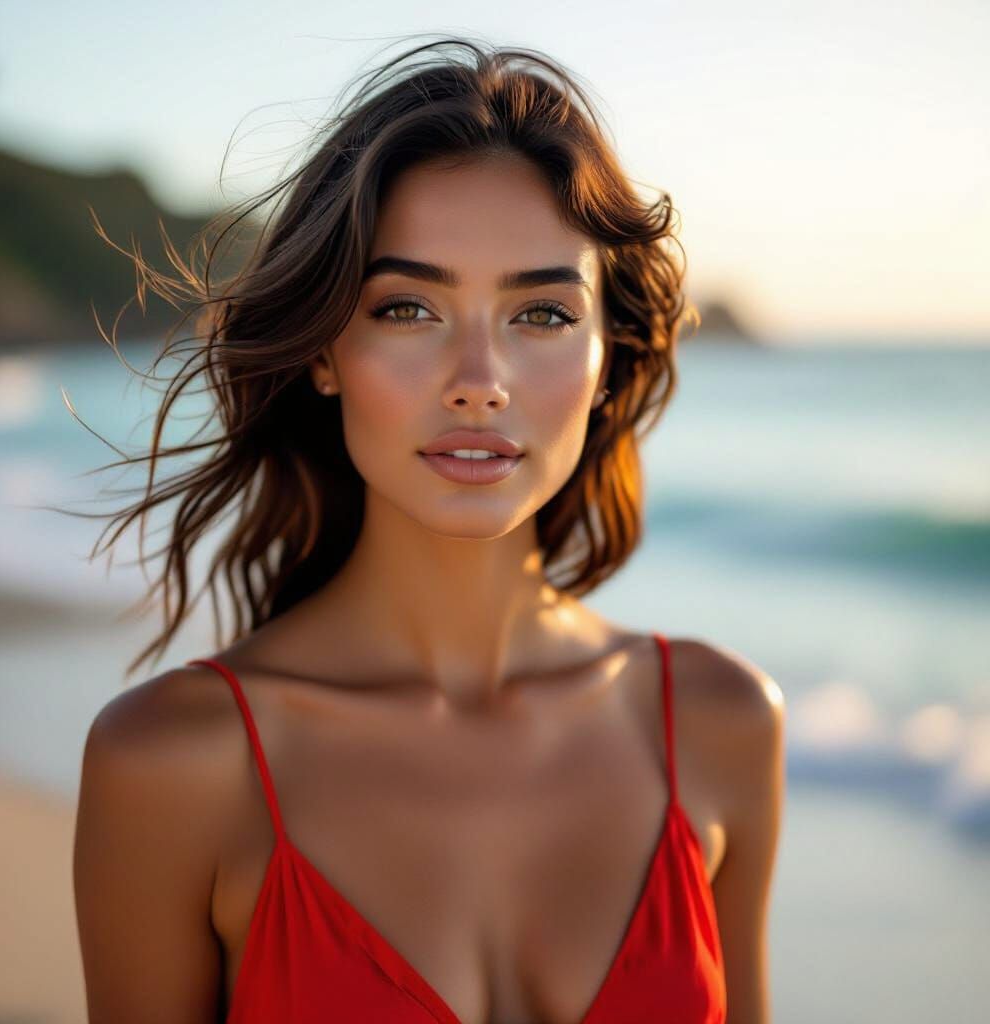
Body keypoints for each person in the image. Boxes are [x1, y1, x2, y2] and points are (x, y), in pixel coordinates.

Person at [72, 36, 784, 1024]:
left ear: (609, 358)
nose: (478, 381)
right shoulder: (172, 764)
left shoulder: (720, 724)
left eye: (542, 314)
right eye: (408, 308)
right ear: (325, 352)